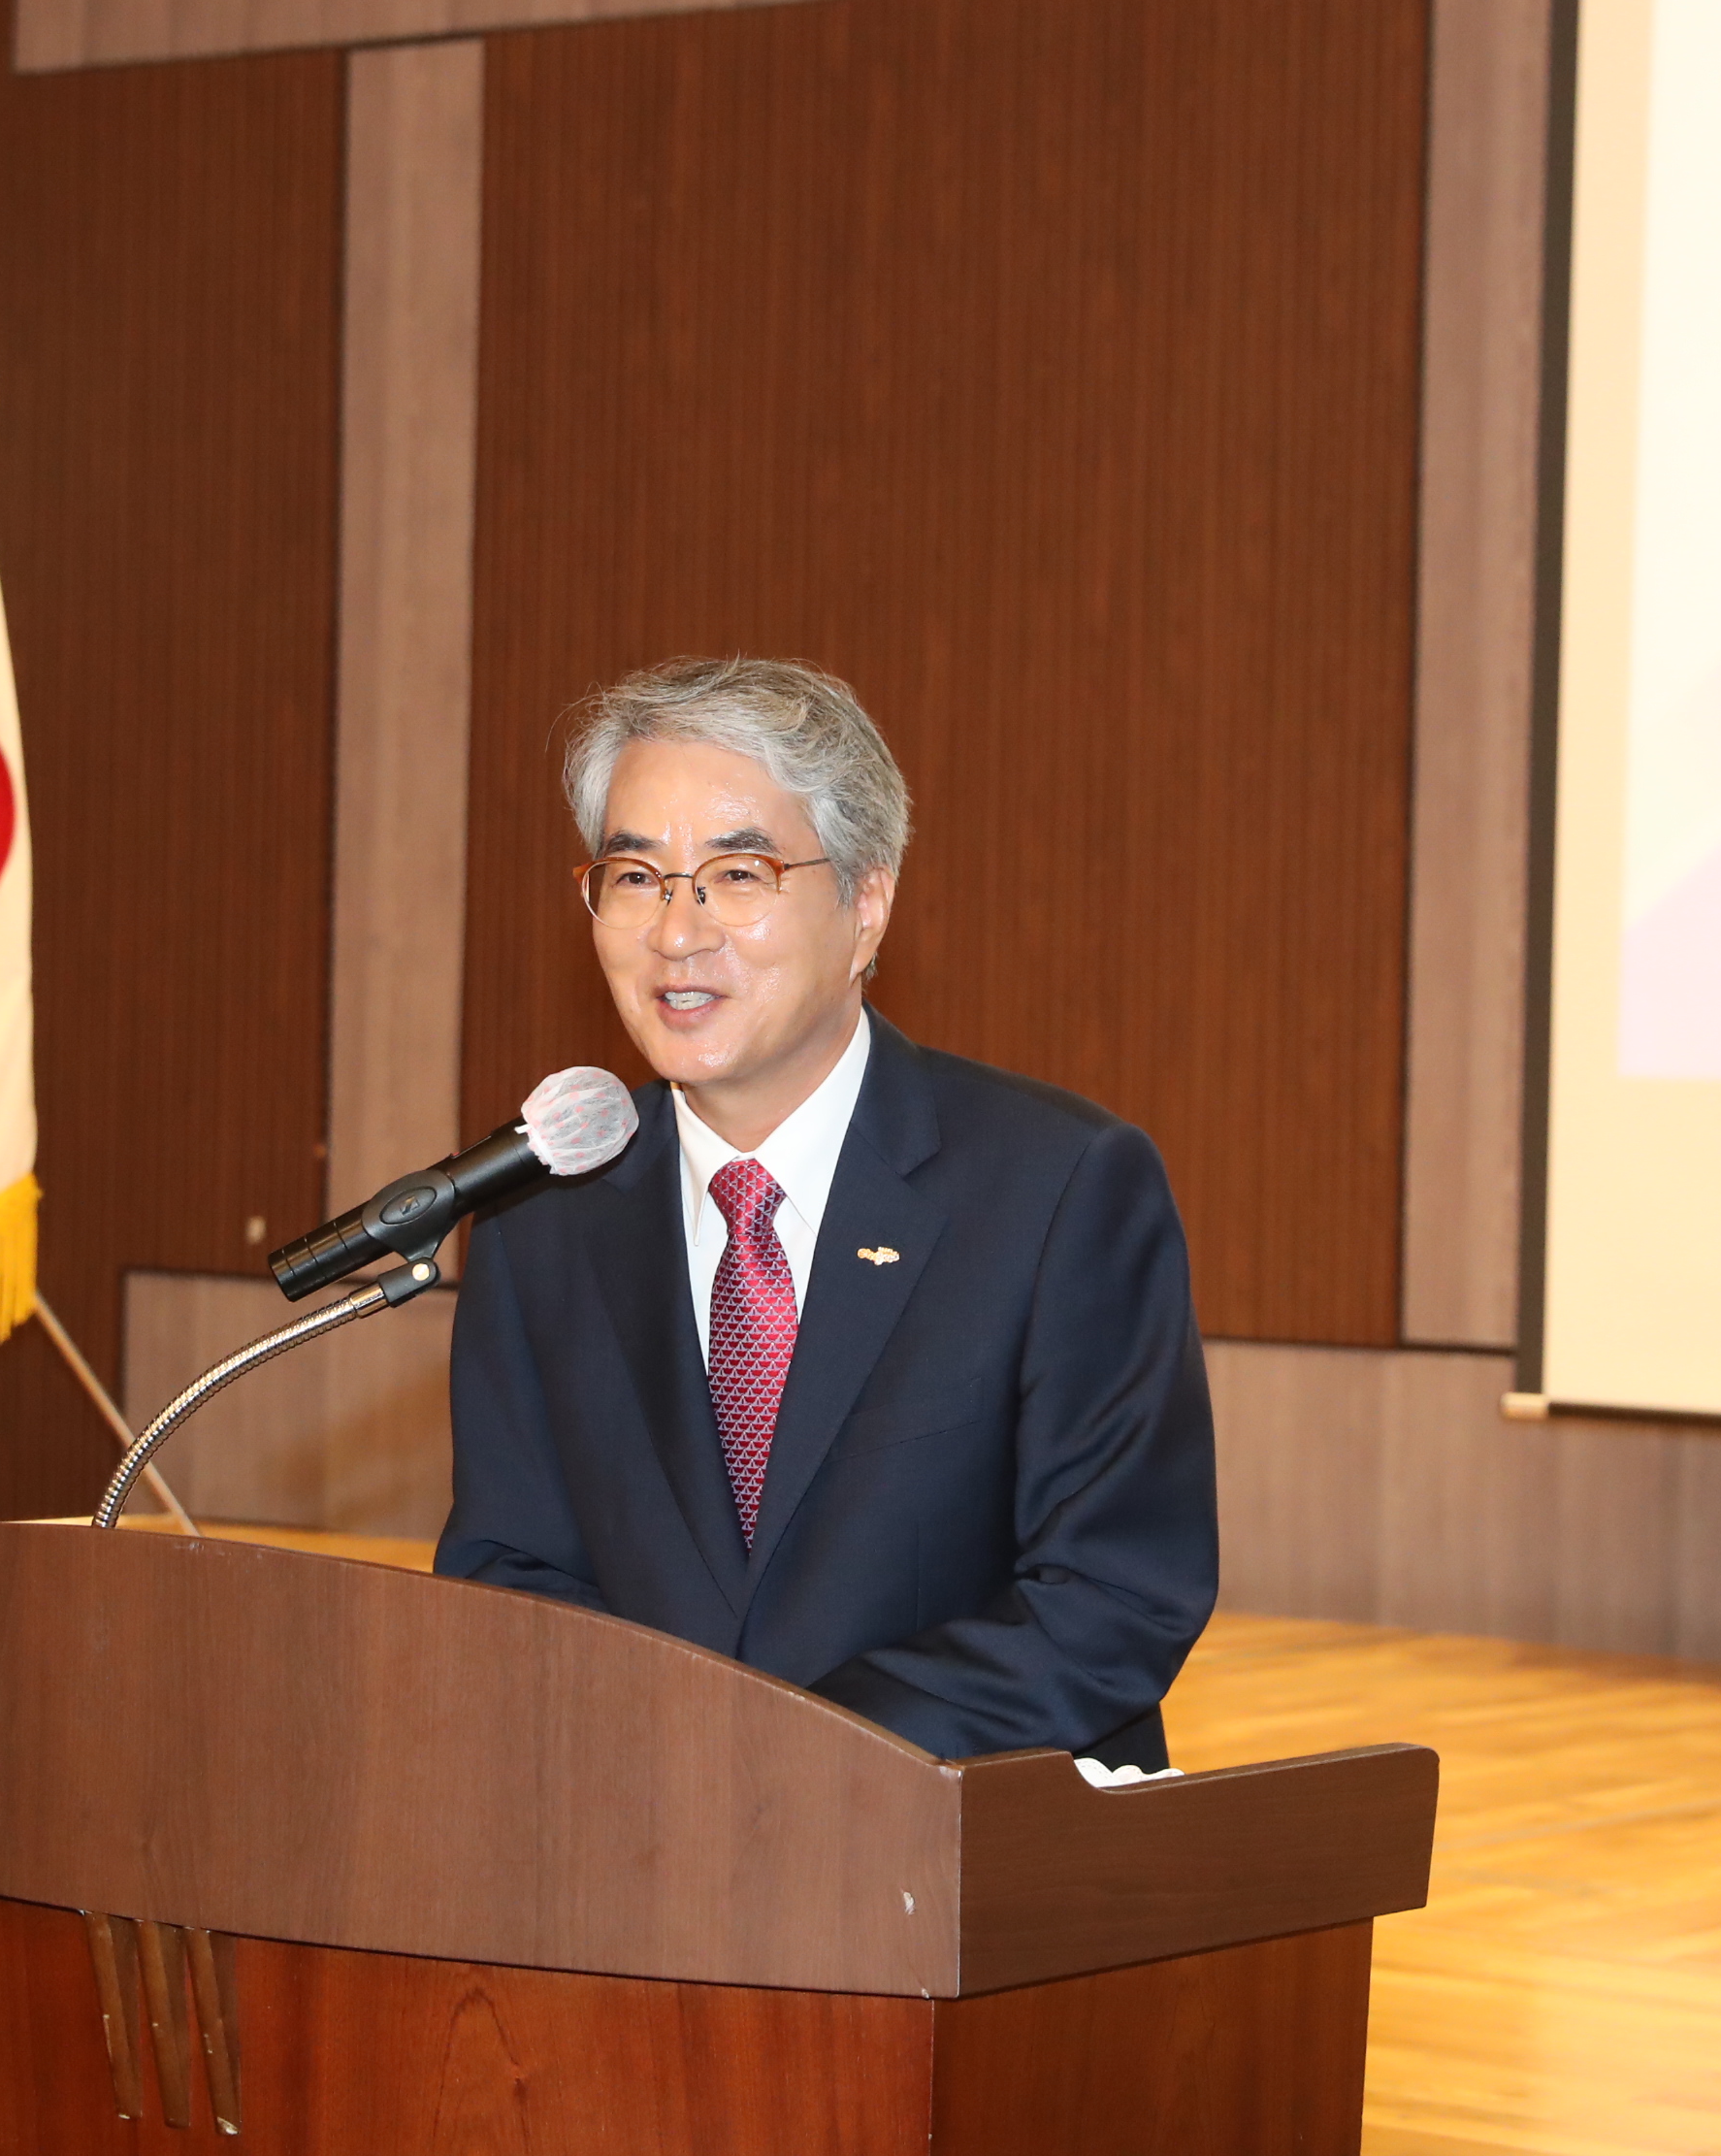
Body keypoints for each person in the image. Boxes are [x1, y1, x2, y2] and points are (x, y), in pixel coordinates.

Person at [436, 656, 1218, 1767]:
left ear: (867, 903)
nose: (677, 932)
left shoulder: (1059, 1187)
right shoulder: (542, 1216)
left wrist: (793, 1761)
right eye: (636, 877)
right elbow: (508, 1577)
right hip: (634, 1859)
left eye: (738, 873)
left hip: (959, 1866)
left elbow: (1112, 1597)